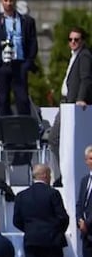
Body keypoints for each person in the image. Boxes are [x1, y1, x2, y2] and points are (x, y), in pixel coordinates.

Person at [13, 164, 70, 257]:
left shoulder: (22, 195)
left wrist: (30, 230)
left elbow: (16, 220)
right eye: (49, 175)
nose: (50, 178)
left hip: (32, 241)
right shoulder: (53, 193)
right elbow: (62, 217)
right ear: (44, 175)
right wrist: (57, 232)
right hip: (52, 241)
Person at [0, 0, 38, 118]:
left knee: (22, 98)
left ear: (15, 1)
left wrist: (28, 62)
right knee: (2, 100)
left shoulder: (26, 21)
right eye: (6, 0)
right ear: (1, 2)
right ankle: (4, 129)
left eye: (11, 0)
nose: (8, 3)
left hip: (19, 63)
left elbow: (32, 43)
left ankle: (25, 129)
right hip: (1, 64)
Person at [49, 26, 92, 186]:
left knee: (55, 138)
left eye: (76, 39)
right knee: (55, 139)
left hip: (72, 105)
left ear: (82, 41)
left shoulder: (85, 55)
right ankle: (60, 175)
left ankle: (61, 176)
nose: (73, 42)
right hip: (66, 103)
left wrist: (81, 98)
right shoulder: (75, 55)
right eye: (71, 39)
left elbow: (86, 78)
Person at [75, 144, 92, 257]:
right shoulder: (84, 180)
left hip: (89, 227)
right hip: (86, 234)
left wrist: (88, 223)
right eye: (90, 159)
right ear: (86, 161)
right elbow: (80, 203)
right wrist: (80, 220)